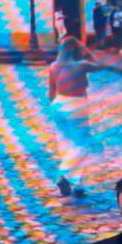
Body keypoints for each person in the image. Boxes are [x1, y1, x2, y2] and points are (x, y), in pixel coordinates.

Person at [48, 35, 99, 196]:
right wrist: (85, 49)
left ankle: (77, 183)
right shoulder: (81, 65)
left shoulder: (53, 66)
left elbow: (51, 91)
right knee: (82, 144)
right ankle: (64, 174)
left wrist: (53, 108)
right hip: (76, 104)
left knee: (66, 143)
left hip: (57, 104)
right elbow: (100, 65)